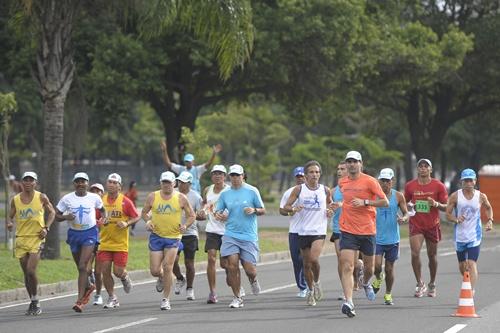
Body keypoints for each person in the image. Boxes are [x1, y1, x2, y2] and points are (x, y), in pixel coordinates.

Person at [337, 151, 389, 317]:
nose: (351, 164)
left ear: (361, 163)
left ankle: (365, 282)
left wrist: (365, 202)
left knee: (370, 268)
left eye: (355, 161)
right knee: (347, 266)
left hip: (367, 230)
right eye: (349, 162)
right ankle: (349, 301)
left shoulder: (370, 181)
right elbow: (345, 200)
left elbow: (384, 202)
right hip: (347, 229)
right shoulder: (342, 182)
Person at [141, 171, 195, 310]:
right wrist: (148, 222)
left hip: (173, 237)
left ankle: (166, 299)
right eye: (164, 182)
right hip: (157, 236)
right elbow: (144, 213)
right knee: (154, 270)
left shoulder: (181, 198)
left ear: (174, 183)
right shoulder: (153, 196)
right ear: (161, 183)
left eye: (169, 182)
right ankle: (161, 277)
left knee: (167, 267)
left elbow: (191, 216)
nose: (166, 185)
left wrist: (185, 226)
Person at [215, 164, 266, 308]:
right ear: (229, 177)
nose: (235, 178)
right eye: (233, 175)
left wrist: (254, 210)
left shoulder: (252, 191)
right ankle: (237, 297)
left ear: (243, 175)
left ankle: (253, 279)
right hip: (231, 234)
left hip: (249, 236)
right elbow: (218, 210)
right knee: (231, 266)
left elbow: (263, 210)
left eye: (238, 175)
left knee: (250, 270)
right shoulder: (225, 194)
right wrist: (219, 214)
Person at [284, 161, 333, 306]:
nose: (314, 175)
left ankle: (317, 282)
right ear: (305, 175)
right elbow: (286, 206)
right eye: (311, 172)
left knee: (313, 259)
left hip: (319, 230)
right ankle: (311, 291)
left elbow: (330, 204)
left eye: (317, 172)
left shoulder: (325, 190)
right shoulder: (299, 190)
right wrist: (293, 209)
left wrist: (330, 210)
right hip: (303, 231)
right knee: (306, 264)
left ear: (320, 174)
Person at [55, 172, 106, 312]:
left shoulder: (94, 197)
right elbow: (56, 215)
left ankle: (79, 300)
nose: (80, 184)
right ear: (74, 184)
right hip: (74, 235)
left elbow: (102, 210)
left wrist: (104, 218)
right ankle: (89, 286)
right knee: (80, 267)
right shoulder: (67, 199)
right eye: (78, 181)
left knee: (83, 265)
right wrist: (65, 216)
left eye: (83, 181)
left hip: (90, 233)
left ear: (87, 183)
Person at [6, 172, 55, 315]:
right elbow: (10, 216)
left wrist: (46, 228)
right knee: (26, 274)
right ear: (22, 182)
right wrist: (9, 223)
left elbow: (52, 213)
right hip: (21, 238)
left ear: (35, 183)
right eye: (25, 180)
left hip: (37, 238)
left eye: (31, 180)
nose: (28, 182)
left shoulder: (41, 197)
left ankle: (35, 301)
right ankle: (33, 301)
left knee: (31, 270)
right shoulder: (15, 199)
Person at [404, 158, 448, 298]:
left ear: (431, 169)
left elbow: (446, 206)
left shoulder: (439, 186)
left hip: (432, 224)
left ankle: (432, 283)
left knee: (432, 256)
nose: (423, 168)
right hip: (416, 224)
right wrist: (409, 207)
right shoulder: (410, 186)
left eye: (426, 166)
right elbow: (404, 203)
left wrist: (435, 204)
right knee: (415, 253)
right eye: (420, 166)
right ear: (417, 169)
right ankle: (419, 283)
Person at [96, 173, 140, 309]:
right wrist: (100, 221)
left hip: (120, 244)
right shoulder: (100, 201)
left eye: (115, 183)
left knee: (118, 271)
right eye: (109, 182)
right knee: (105, 270)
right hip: (104, 242)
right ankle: (112, 297)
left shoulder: (125, 201)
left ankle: (125, 276)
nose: (111, 184)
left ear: (120, 186)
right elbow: (96, 218)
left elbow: (136, 216)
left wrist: (126, 223)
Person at [446, 168, 494, 292]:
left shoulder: (481, 196)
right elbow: (448, 214)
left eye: (470, 180)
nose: (468, 183)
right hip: (459, 236)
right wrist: (456, 219)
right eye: (465, 180)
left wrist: (489, 220)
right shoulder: (455, 196)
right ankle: (467, 279)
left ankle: (470, 292)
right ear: (461, 182)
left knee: (472, 264)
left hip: (474, 236)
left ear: (475, 181)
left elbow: (488, 208)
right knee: (463, 266)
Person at [371, 168, 409, 305]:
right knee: (376, 266)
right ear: (379, 181)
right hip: (377, 238)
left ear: (392, 181)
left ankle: (388, 294)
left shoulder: (398, 196)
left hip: (393, 239)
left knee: (389, 268)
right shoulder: (374, 196)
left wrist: (404, 219)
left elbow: (406, 213)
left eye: (388, 181)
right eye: (382, 181)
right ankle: (378, 278)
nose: (385, 183)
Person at [330, 162, 364, 300]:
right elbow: (329, 206)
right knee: (341, 259)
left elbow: (358, 204)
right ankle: (346, 290)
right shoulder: (332, 191)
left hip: (353, 228)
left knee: (353, 263)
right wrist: (329, 209)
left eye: (342, 169)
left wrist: (342, 204)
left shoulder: (356, 187)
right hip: (338, 228)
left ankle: (360, 267)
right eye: (338, 169)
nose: (339, 171)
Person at [172, 171, 204, 300]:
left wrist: (201, 215)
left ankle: (190, 288)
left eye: (184, 182)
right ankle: (180, 278)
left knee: (189, 263)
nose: (181, 184)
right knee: (172, 260)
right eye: (179, 181)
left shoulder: (196, 197)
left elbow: (202, 214)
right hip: (174, 233)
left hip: (190, 233)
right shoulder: (172, 193)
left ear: (190, 183)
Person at [202, 164, 230, 304]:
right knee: (211, 259)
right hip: (212, 229)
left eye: (220, 173)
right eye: (215, 173)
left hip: (227, 231)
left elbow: (236, 207)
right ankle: (212, 292)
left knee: (225, 264)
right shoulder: (208, 189)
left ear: (225, 176)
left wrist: (227, 216)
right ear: (212, 176)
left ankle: (229, 272)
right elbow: (206, 205)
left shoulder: (230, 190)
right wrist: (202, 211)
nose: (217, 176)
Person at [279, 166, 307, 298]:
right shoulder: (289, 192)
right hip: (295, 231)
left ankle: (310, 283)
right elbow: (282, 210)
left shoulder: (314, 191)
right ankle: (302, 287)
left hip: (310, 231)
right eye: (298, 176)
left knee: (308, 259)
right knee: (297, 260)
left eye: (302, 176)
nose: (300, 178)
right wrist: (292, 210)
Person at [88, 183, 105, 306]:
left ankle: (98, 295)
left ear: (102, 194)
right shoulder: (86, 205)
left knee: (98, 272)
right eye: (93, 190)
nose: (95, 193)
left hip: (102, 242)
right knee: (86, 268)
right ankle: (91, 275)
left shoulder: (104, 207)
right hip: (88, 240)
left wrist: (102, 222)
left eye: (98, 191)